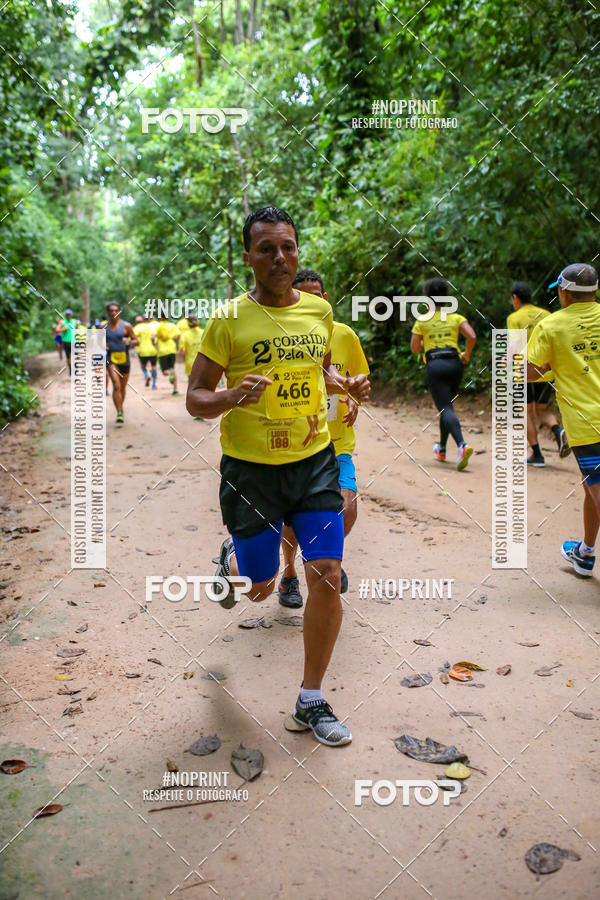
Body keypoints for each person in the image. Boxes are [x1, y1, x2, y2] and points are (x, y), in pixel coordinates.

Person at [186, 206, 370, 746]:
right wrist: (228, 396)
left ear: (297, 251)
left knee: (328, 573)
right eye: (266, 248)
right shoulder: (228, 320)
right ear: (248, 258)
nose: (280, 257)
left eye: (287, 246)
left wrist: (346, 387)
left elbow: (318, 372)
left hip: (313, 462)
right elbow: (196, 398)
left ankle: (311, 700)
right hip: (251, 472)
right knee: (259, 589)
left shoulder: (318, 312)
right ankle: (235, 559)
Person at [277, 269, 369, 608]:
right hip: (294, 448)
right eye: (304, 295)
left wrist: (355, 402)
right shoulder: (282, 338)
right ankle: (290, 575)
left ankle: (325, 555)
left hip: (336, 445)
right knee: (290, 520)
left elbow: (358, 381)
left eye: (318, 294)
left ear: (326, 299)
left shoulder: (344, 335)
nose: (312, 301)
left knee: (347, 511)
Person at [528, 263, 600, 578]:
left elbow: (527, 371)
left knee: (597, 488)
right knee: (591, 488)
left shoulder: (552, 326)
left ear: (564, 292)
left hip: (588, 424)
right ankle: (585, 553)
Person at [410, 278, 476, 470]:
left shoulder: (422, 320)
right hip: (455, 363)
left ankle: (462, 445)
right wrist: (466, 355)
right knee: (448, 406)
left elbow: (415, 348)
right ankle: (442, 448)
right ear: (446, 298)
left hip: (436, 364)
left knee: (445, 407)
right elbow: (471, 336)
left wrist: (426, 342)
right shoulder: (456, 318)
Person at [507, 281, 569, 466]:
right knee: (541, 411)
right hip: (545, 369)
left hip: (523, 370)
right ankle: (558, 430)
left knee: (523, 411)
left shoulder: (515, 317)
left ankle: (537, 454)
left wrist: (505, 362)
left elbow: (515, 345)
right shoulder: (547, 314)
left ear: (515, 298)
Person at [105, 302, 138, 424]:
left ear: (119, 312)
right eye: (111, 310)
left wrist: (129, 341)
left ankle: (120, 407)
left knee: (122, 387)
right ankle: (119, 412)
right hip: (110, 360)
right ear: (108, 312)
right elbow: (95, 344)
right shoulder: (103, 328)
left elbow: (136, 341)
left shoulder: (127, 326)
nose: (113, 312)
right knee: (116, 385)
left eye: (116, 310)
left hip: (124, 359)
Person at [154, 316, 180, 395]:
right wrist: (173, 339)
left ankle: (168, 372)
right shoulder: (172, 325)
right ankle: (175, 389)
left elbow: (154, 339)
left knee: (165, 372)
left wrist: (155, 344)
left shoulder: (157, 326)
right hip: (172, 349)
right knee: (173, 368)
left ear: (160, 317)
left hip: (162, 351)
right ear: (167, 317)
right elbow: (178, 336)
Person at [133, 315, 158, 389]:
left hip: (142, 351)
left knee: (143, 366)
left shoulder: (136, 328)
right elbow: (154, 337)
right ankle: (154, 384)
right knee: (154, 366)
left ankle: (146, 375)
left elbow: (134, 339)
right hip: (153, 350)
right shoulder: (151, 327)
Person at [60, 309, 78, 375]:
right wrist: (64, 328)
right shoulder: (62, 322)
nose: (68, 316)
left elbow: (77, 330)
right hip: (66, 342)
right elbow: (56, 330)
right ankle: (70, 368)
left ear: (71, 315)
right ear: (65, 315)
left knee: (76, 356)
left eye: (69, 314)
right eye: (67, 314)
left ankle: (76, 370)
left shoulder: (74, 321)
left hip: (74, 341)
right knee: (68, 357)